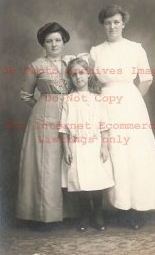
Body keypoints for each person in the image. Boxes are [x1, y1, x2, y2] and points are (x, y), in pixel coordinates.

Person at [89, 5, 155, 229]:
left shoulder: (136, 49)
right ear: (103, 25)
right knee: (109, 153)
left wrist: (132, 101)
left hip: (131, 104)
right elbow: (92, 82)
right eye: (107, 22)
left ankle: (133, 209)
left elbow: (146, 79)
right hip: (105, 105)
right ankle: (104, 210)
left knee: (133, 154)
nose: (112, 26)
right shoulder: (95, 51)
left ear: (124, 23)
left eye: (116, 22)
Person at [16, 22, 73, 222]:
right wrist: (44, 109)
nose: (54, 44)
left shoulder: (70, 63)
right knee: (45, 164)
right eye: (49, 41)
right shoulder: (35, 66)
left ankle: (72, 214)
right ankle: (44, 215)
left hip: (70, 116)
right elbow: (26, 95)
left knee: (69, 162)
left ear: (64, 42)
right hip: (44, 118)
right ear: (43, 44)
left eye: (58, 40)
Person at [59, 58, 114, 231]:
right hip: (76, 146)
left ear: (88, 74)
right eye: (74, 74)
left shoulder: (98, 99)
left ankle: (98, 214)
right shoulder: (68, 99)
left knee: (96, 180)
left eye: (81, 73)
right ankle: (84, 215)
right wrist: (66, 148)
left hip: (94, 145)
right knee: (80, 182)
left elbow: (105, 126)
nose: (78, 77)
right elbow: (63, 128)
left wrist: (104, 146)